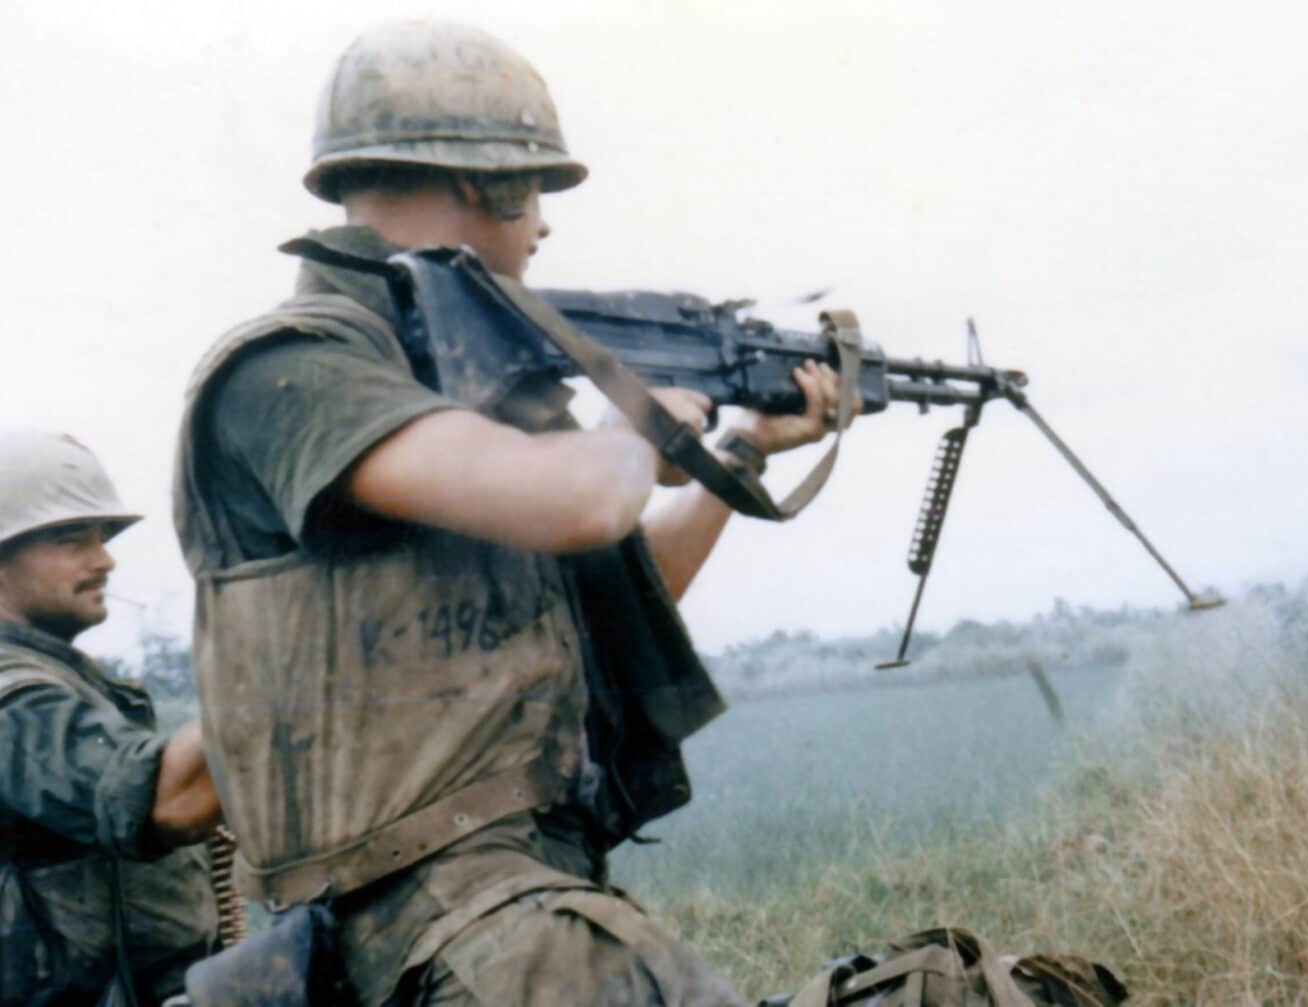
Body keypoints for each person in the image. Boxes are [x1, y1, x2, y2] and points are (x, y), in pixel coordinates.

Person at [173, 20, 850, 1006]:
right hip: (437, 913)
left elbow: (618, 595)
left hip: (507, 902)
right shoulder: (292, 367)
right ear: (481, 181)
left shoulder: (480, 407)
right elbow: (582, 499)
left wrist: (735, 449)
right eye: (531, 190)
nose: (541, 227)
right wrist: (646, 422)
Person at [0, 429, 221, 1005]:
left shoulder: (73, 684)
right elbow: (165, 801)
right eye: (73, 539)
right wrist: (277, 684)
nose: (105, 560)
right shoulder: (11, 700)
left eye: (101, 537)